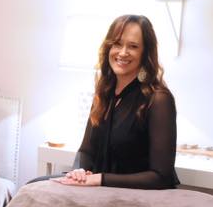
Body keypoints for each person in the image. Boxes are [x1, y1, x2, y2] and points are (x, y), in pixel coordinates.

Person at [57, 14, 178, 189]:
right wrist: (79, 171)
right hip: (97, 191)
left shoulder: (159, 99)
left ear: (145, 53)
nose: (122, 53)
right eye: (117, 44)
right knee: (33, 186)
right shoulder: (104, 92)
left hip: (135, 199)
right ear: (108, 47)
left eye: (133, 46)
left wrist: (100, 179)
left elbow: (161, 177)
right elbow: (86, 151)